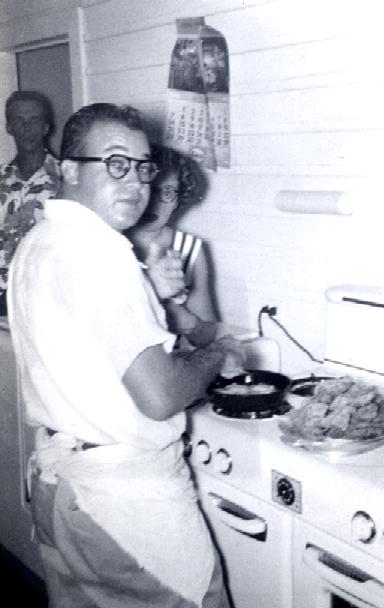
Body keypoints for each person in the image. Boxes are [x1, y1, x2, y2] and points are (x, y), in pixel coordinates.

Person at [7, 102, 244, 608]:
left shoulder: (40, 240)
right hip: (125, 506)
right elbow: (160, 396)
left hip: (62, 485)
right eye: (115, 163)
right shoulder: (101, 253)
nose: (135, 182)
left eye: (142, 167)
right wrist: (218, 353)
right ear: (69, 170)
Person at [128, 145, 218, 347]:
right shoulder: (110, 243)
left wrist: (182, 318)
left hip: (172, 361)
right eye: (150, 187)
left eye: (168, 192)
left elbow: (207, 337)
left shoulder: (189, 249)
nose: (155, 202)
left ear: (178, 200)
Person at [0, 90, 60, 315]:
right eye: (19, 120)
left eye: (34, 120)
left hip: (45, 298)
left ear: (46, 127)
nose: (27, 128)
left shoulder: (66, 179)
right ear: (9, 127)